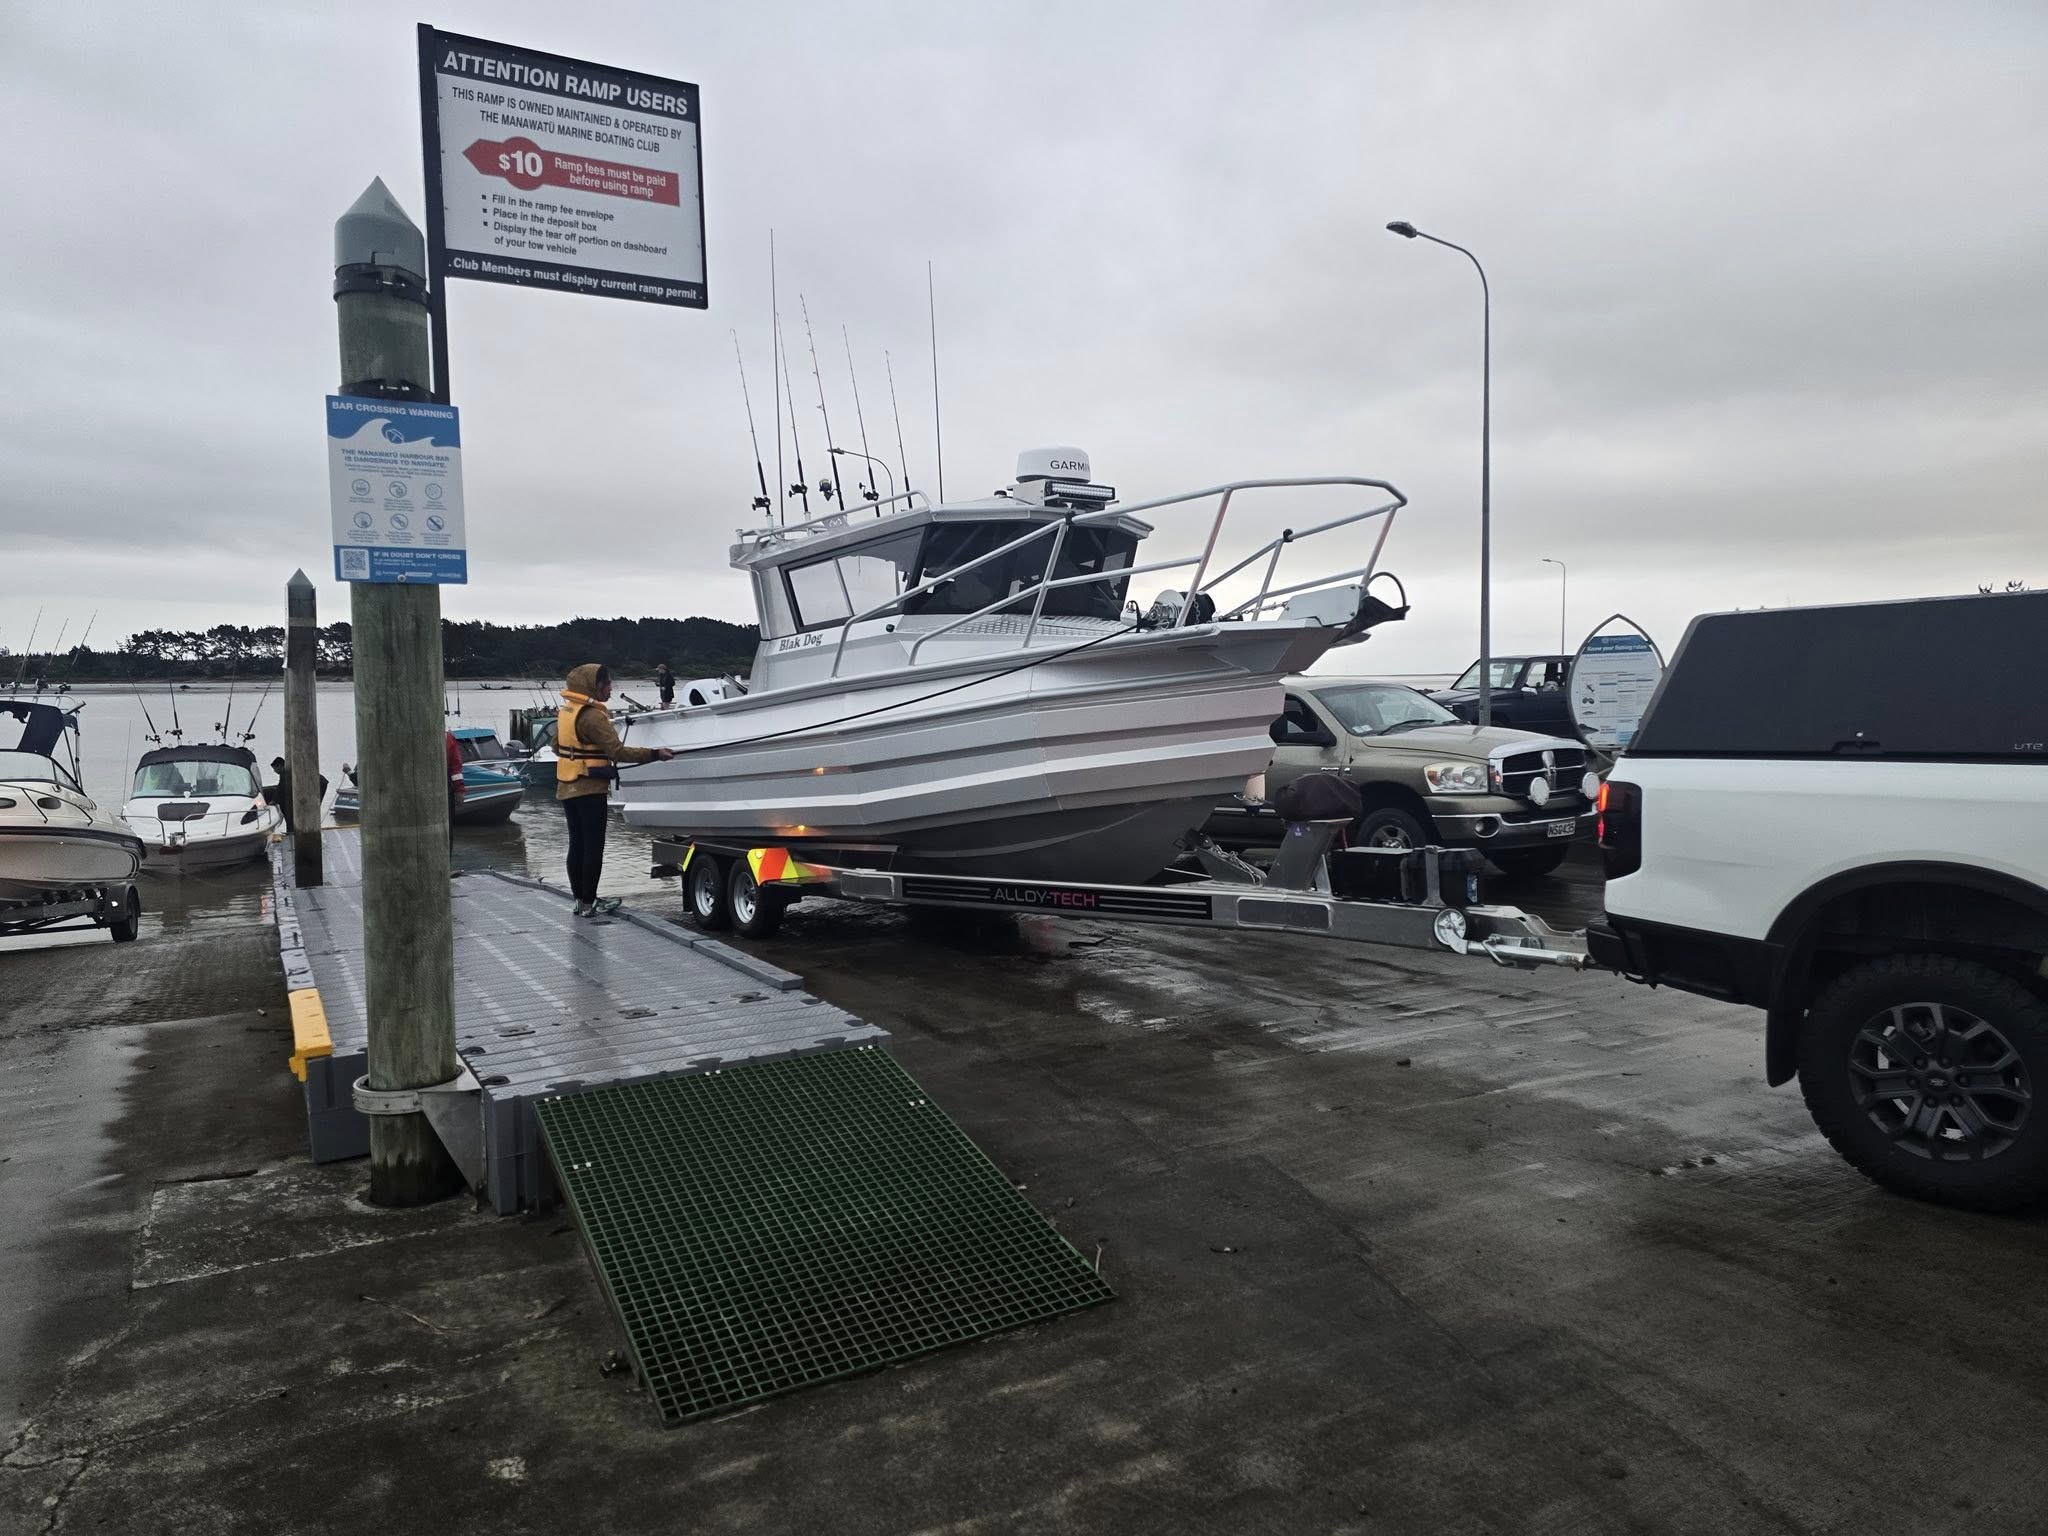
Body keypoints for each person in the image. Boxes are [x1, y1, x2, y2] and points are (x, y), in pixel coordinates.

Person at [557, 663, 675, 920]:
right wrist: (655, 754)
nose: (611, 688)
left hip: (567, 786)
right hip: (590, 789)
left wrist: (578, 756)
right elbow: (617, 752)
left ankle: (579, 901)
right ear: (594, 686)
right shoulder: (593, 717)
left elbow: (557, 746)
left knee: (577, 844)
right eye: (607, 684)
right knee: (593, 847)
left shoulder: (567, 711)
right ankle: (589, 903)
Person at [267, 756, 328, 832]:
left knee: (311, 808)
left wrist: (273, 801)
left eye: (275, 769)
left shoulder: (286, 772)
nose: (275, 771)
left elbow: (281, 789)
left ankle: (308, 829)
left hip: (318, 784)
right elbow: (281, 787)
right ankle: (303, 828)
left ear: (279, 766)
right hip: (315, 783)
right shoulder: (287, 771)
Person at [445, 731, 466, 845]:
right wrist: (459, 790)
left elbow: (455, 766)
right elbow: (456, 766)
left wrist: (459, 789)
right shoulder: (447, 737)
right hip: (444, 788)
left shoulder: (448, 738)